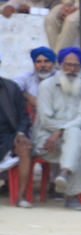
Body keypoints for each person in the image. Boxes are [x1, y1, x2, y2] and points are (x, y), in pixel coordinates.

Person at [32, 47, 81, 211]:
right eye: (68, 65)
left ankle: (64, 173)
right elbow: (45, 120)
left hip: (68, 139)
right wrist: (60, 130)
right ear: (60, 65)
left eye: (76, 65)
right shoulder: (46, 86)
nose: (72, 69)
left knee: (74, 136)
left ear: (80, 67)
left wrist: (60, 130)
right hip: (46, 141)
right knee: (77, 139)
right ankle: (72, 197)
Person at [1, 59, 34, 208]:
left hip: (9, 135)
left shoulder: (11, 88)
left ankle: (21, 196)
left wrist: (20, 133)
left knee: (25, 147)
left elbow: (23, 117)